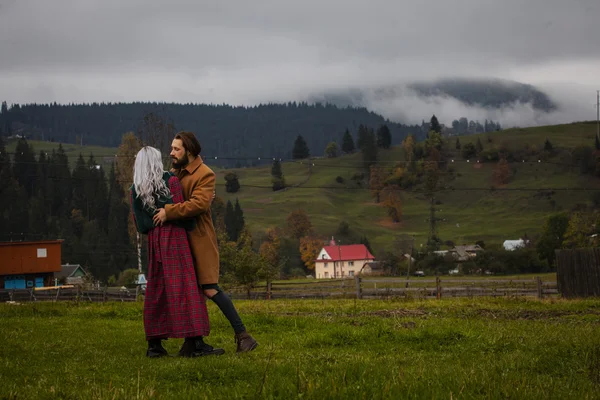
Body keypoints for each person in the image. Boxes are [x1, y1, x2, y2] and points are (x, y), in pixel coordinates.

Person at [152, 131, 258, 353]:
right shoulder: (175, 173)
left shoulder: (205, 174)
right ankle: (192, 343)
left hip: (199, 241)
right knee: (189, 290)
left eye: (176, 149)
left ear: (188, 151)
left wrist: (168, 212)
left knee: (209, 287)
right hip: (179, 242)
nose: (171, 153)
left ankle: (243, 335)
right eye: (171, 148)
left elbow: (198, 205)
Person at [130, 146, 224, 358]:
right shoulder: (169, 182)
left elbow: (141, 226)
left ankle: (154, 345)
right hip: (176, 238)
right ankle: (194, 342)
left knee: (157, 289)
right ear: (155, 161)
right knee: (186, 287)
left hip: (155, 241)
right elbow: (186, 213)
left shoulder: (135, 189)